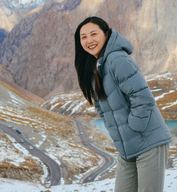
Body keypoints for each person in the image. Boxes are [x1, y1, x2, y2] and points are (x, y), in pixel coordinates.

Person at [74, 16, 172, 192]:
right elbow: (100, 106)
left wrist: (134, 128)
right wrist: (117, 132)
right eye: (84, 37)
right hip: (127, 149)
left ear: (106, 34)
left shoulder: (117, 59)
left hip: (148, 142)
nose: (89, 40)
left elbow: (143, 98)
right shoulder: (94, 66)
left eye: (93, 34)